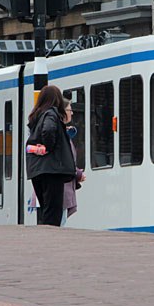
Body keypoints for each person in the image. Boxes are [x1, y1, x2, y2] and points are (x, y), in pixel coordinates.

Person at [26, 85, 76, 226]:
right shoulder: (51, 113)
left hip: (37, 170)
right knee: (53, 212)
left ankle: (44, 241)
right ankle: (50, 242)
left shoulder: (36, 116)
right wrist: (49, 146)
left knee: (46, 210)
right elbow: (48, 130)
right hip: (52, 170)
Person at [61, 94, 86, 225]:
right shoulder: (61, 135)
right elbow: (63, 160)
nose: (72, 113)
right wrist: (77, 173)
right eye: (70, 110)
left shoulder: (64, 133)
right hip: (61, 189)